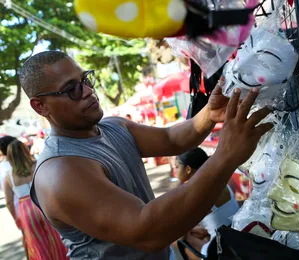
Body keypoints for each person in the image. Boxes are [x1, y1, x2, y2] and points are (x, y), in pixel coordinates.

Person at [20, 51, 273, 260]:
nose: (87, 91)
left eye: (85, 80)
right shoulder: (61, 171)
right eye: (71, 89)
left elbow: (172, 139)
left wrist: (209, 112)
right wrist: (225, 156)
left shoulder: (113, 127)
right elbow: (147, 231)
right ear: (40, 106)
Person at [3, 140, 69, 260]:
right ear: (26, 151)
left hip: (26, 211)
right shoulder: (38, 164)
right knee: (56, 240)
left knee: (38, 245)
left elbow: (8, 202)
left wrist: (16, 218)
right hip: (42, 204)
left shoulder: (9, 177)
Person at [175, 148, 240, 257]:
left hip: (220, 250)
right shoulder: (220, 180)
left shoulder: (196, 194)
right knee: (196, 231)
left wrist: (179, 184)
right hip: (237, 234)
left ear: (188, 169)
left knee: (175, 239)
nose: (175, 170)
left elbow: (181, 235)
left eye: (177, 167)